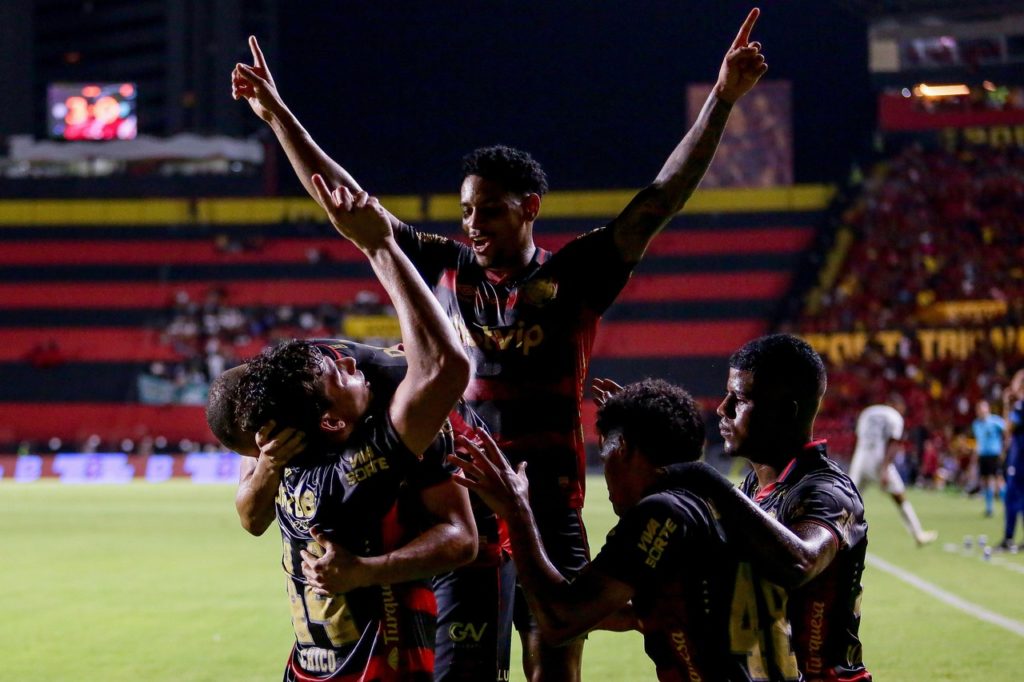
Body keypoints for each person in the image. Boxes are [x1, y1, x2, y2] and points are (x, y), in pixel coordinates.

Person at [231, 9, 768, 680]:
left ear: (530, 207)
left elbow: (659, 201)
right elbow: (351, 207)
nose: (473, 223)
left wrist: (720, 100)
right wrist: (279, 115)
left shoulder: (574, 274)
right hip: (470, 513)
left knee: (554, 668)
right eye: (465, 211)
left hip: (550, 509)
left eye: (488, 209)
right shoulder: (447, 268)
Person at [230, 183, 479, 681]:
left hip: (307, 666)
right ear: (331, 421)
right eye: (338, 373)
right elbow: (447, 366)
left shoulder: (289, 459)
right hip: (378, 666)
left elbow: (250, 516)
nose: (350, 358)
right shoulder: (361, 468)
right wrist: (379, 246)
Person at [453, 379, 801, 682]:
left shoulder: (662, 511)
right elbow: (637, 612)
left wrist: (516, 511)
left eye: (606, 455)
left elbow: (561, 620)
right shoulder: (720, 505)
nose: (605, 475)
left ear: (623, 450)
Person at [642, 334, 871, 681]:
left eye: (740, 399)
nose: (723, 409)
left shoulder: (827, 491)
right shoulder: (753, 489)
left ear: (786, 411)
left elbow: (801, 562)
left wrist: (708, 481)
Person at [849, 397, 937, 546]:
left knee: (849, 500)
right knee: (900, 497)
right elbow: (894, 443)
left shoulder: (868, 412)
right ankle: (918, 534)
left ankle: (834, 535)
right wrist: (884, 469)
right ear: (896, 405)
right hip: (878, 460)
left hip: (859, 459)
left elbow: (857, 437)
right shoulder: (894, 416)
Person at [999, 369, 1024, 550]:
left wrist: (1006, 404)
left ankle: (1008, 539)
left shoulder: (1020, 406)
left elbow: (1008, 428)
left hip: (1020, 459)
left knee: (1012, 499)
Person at [972, 399, 1007, 518]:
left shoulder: (995, 421)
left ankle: (1007, 505)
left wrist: (1004, 448)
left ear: (988, 409)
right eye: (979, 409)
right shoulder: (976, 424)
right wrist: (976, 456)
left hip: (994, 454)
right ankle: (989, 508)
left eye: (983, 408)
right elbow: (978, 442)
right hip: (983, 455)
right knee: (986, 481)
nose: (981, 411)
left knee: (999, 480)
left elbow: (1007, 431)